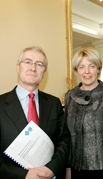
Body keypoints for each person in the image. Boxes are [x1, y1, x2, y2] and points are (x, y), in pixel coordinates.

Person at [0, 46, 71, 179]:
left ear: (44, 73)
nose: (33, 68)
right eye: (27, 62)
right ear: (18, 67)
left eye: (39, 64)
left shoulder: (54, 103)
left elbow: (64, 140)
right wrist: (24, 175)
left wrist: (52, 169)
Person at [65, 47, 103, 179]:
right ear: (76, 71)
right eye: (81, 67)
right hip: (77, 170)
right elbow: (67, 137)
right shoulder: (70, 96)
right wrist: (67, 169)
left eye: (91, 66)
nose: (86, 71)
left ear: (98, 69)